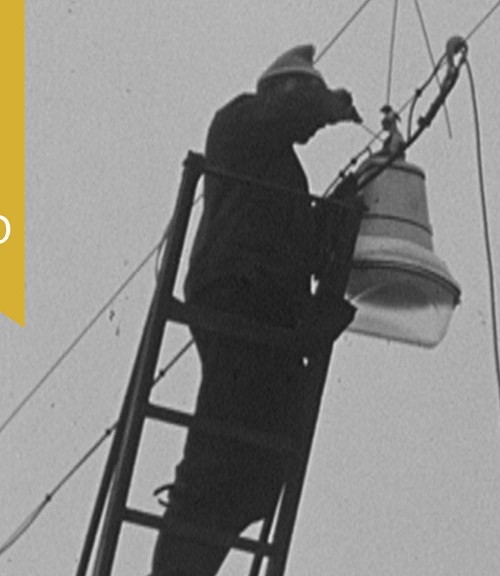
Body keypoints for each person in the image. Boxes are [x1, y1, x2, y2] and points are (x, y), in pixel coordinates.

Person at [150, 45, 362, 576]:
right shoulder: (239, 123)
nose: (310, 129)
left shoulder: (285, 175)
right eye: (305, 94)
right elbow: (285, 115)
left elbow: (305, 247)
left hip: (268, 309)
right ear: (282, 88)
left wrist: (340, 216)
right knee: (222, 451)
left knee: (265, 463)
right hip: (239, 296)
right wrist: (329, 104)